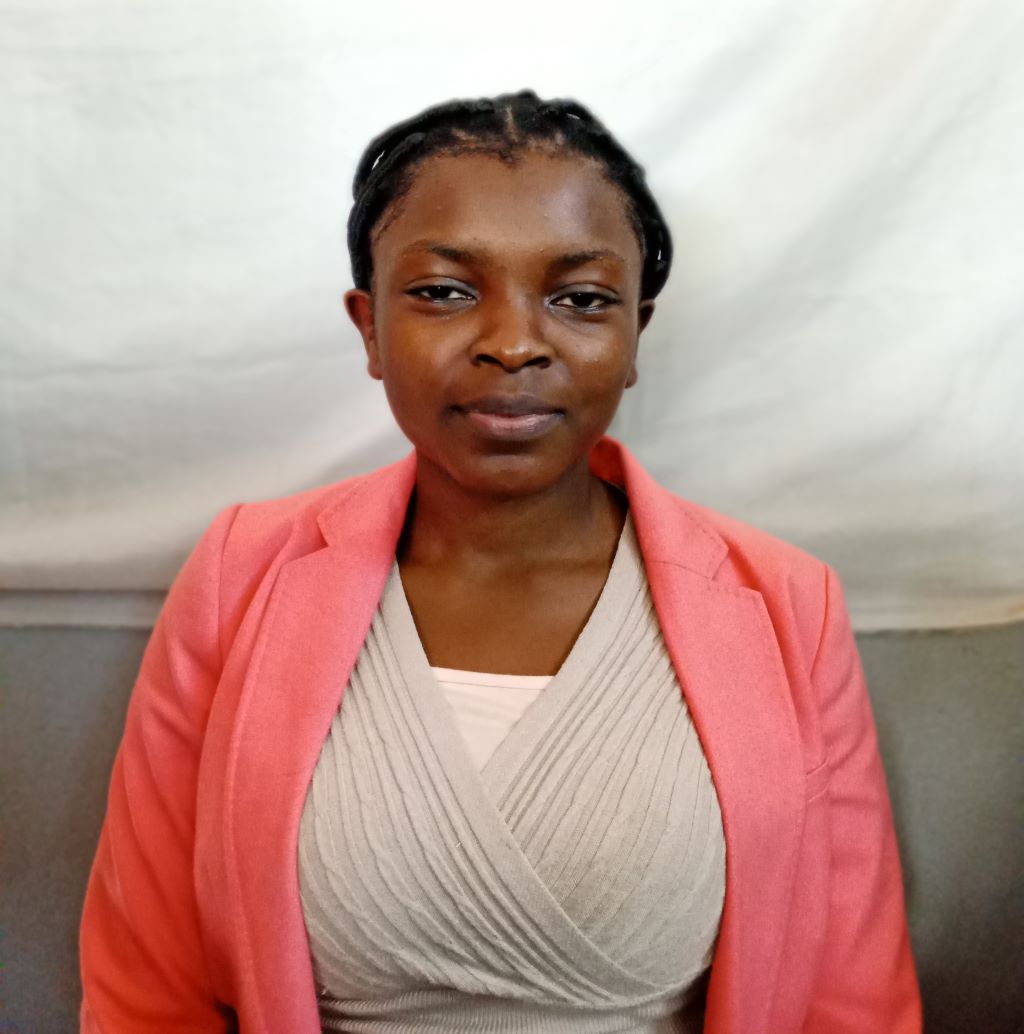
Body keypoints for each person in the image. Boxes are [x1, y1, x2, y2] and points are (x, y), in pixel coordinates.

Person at [79, 90, 922, 1033]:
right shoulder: (243, 574)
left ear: (635, 335)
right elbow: (145, 986)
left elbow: (852, 999)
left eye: (581, 299)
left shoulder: (787, 604)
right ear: (369, 327)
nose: (515, 343)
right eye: (444, 291)